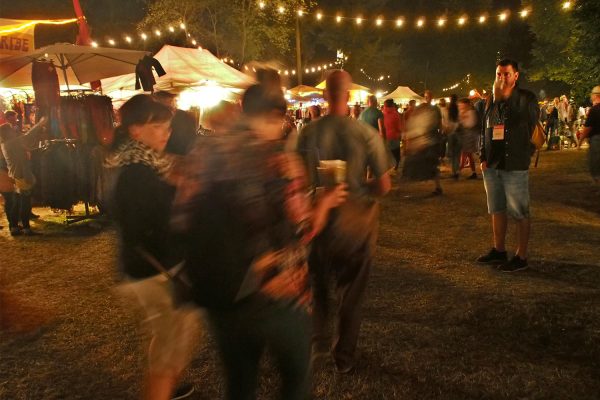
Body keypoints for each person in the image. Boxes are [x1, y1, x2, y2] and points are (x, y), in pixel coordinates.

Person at [172, 76, 348, 399]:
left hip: (221, 294)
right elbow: (303, 230)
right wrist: (323, 205)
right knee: (296, 378)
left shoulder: (201, 154)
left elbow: (181, 218)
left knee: (239, 383)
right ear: (278, 116)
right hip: (279, 293)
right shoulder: (282, 163)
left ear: (242, 109)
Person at [105, 95, 200, 400]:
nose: (166, 132)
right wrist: (183, 198)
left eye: (167, 126)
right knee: (170, 345)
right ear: (135, 130)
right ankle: (162, 389)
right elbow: (150, 225)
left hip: (151, 268)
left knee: (171, 336)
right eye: (158, 126)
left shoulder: (144, 163)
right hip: (154, 271)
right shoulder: (136, 172)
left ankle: (170, 384)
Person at [296, 70, 392, 374]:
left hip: (319, 218)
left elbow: (297, 180)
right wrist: (363, 193)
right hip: (356, 224)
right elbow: (384, 185)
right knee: (352, 293)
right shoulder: (366, 133)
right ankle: (344, 356)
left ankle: (318, 345)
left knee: (319, 285)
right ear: (349, 95)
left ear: (325, 95)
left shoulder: (307, 133)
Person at [476, 59, 539, 272]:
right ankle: (499, 249)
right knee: (497, 208)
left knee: (520, 211)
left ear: (516, 76)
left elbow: (527, 123)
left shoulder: (525, 98)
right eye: (498, 74)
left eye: (506, 74)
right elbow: (484, 129)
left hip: (514, 163)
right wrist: (483, 156)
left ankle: (521, 256)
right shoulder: (489, 100)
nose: (502, 78)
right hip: (492, 164)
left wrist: (506, 97)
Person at [0, 111, 47, 236]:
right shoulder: (12, 143)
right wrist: (40, 123)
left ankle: (14, 227)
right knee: (24, 203)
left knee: (16, 202)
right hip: (21, 176)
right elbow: (28, 136)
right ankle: (26, 228)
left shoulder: (5, 144)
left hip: (15, 175)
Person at [402, 90, 444, 195]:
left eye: (428, 96)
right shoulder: (424, 109)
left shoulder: (435, 109)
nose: (427, 98)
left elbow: (438, 124)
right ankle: (406, 186)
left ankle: (438, 187)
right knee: (420, 164)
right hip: (426, 141)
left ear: (431, 97)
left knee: (432, 165)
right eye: (425, 96)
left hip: (432, 141)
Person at [153, 91, 198, 156]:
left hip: (180, 157)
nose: (173, 106)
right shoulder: (155, 118)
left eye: (172, 103)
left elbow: (192, 138)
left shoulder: (185, 116)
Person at [578, 85, 600, 184]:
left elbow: (588, 128)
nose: (591, 97)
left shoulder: (595, 109)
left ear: (596, 96)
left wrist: (580, 141)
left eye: (592, 94)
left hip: (597, 139)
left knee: (595, 162)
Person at [457, 98, 480, 179]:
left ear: (466, 104)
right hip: (466, 136)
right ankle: (473, 173)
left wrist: (463, 118)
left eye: (461, 105)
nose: (460, 107)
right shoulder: (464, 112)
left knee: (464, 154)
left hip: (470, 136)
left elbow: (470, 124)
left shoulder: (471, 112)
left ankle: (458, 172)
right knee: (469, 155)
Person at [382, 99, 403, 171]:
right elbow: (399, 127)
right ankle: (395, 168)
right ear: (392, 105)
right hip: (394, 137)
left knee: (387, 155)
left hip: (384, 137)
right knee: (396, 155)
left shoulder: (382, 114)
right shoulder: (396, 114)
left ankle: (387, 170)